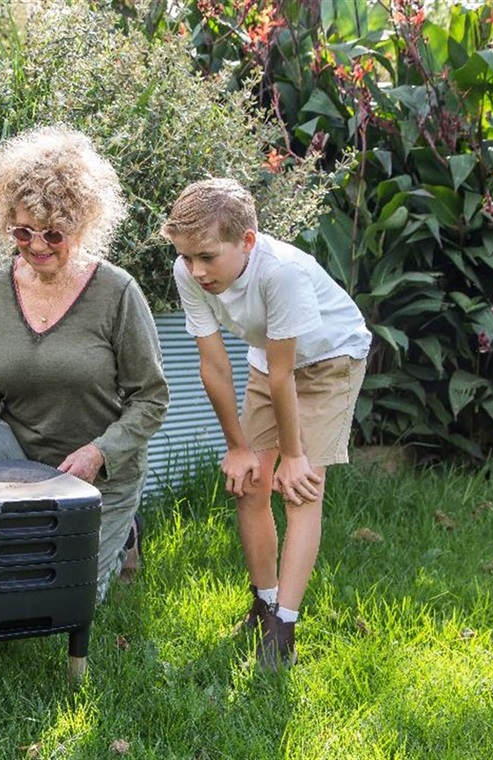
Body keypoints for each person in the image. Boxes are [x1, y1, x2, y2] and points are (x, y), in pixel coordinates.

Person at [0, 126, 169, 602]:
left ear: (80, 227)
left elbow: (151, 397)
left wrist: (100, 453)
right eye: (22, 231)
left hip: (98, 469)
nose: (36, 245)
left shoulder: (117, 292)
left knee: (61, 596)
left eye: (53, 234)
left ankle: (124, 536)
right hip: (18, 450)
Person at [160, 178, 371, 669]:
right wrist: (237, 447)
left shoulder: (283, 273)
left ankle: (285, 630)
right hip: (270, 359)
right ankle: (264, 602)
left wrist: (294, 456)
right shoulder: (187, 270)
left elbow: (286, 377)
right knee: (250, 485)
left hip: (330, 360)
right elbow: (213, 364)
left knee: (301, 490)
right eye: (187, 257)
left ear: (247, 242)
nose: (196, 270)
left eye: (208, 257)